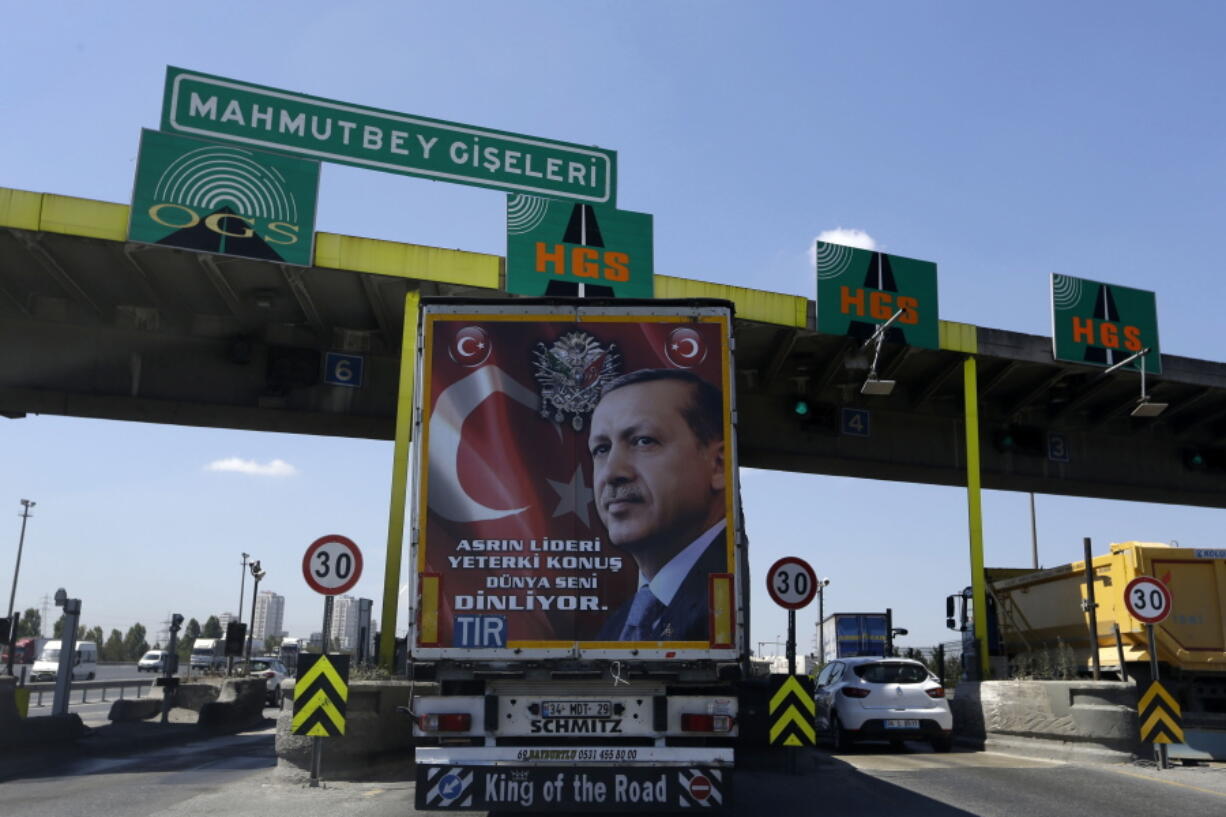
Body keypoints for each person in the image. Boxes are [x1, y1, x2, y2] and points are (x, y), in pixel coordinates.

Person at [588, 369, 728, 641]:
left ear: (719, 464)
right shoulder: (617, 627)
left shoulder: (717, 606)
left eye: (644, 441)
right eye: (602, 449)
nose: (612, 472)